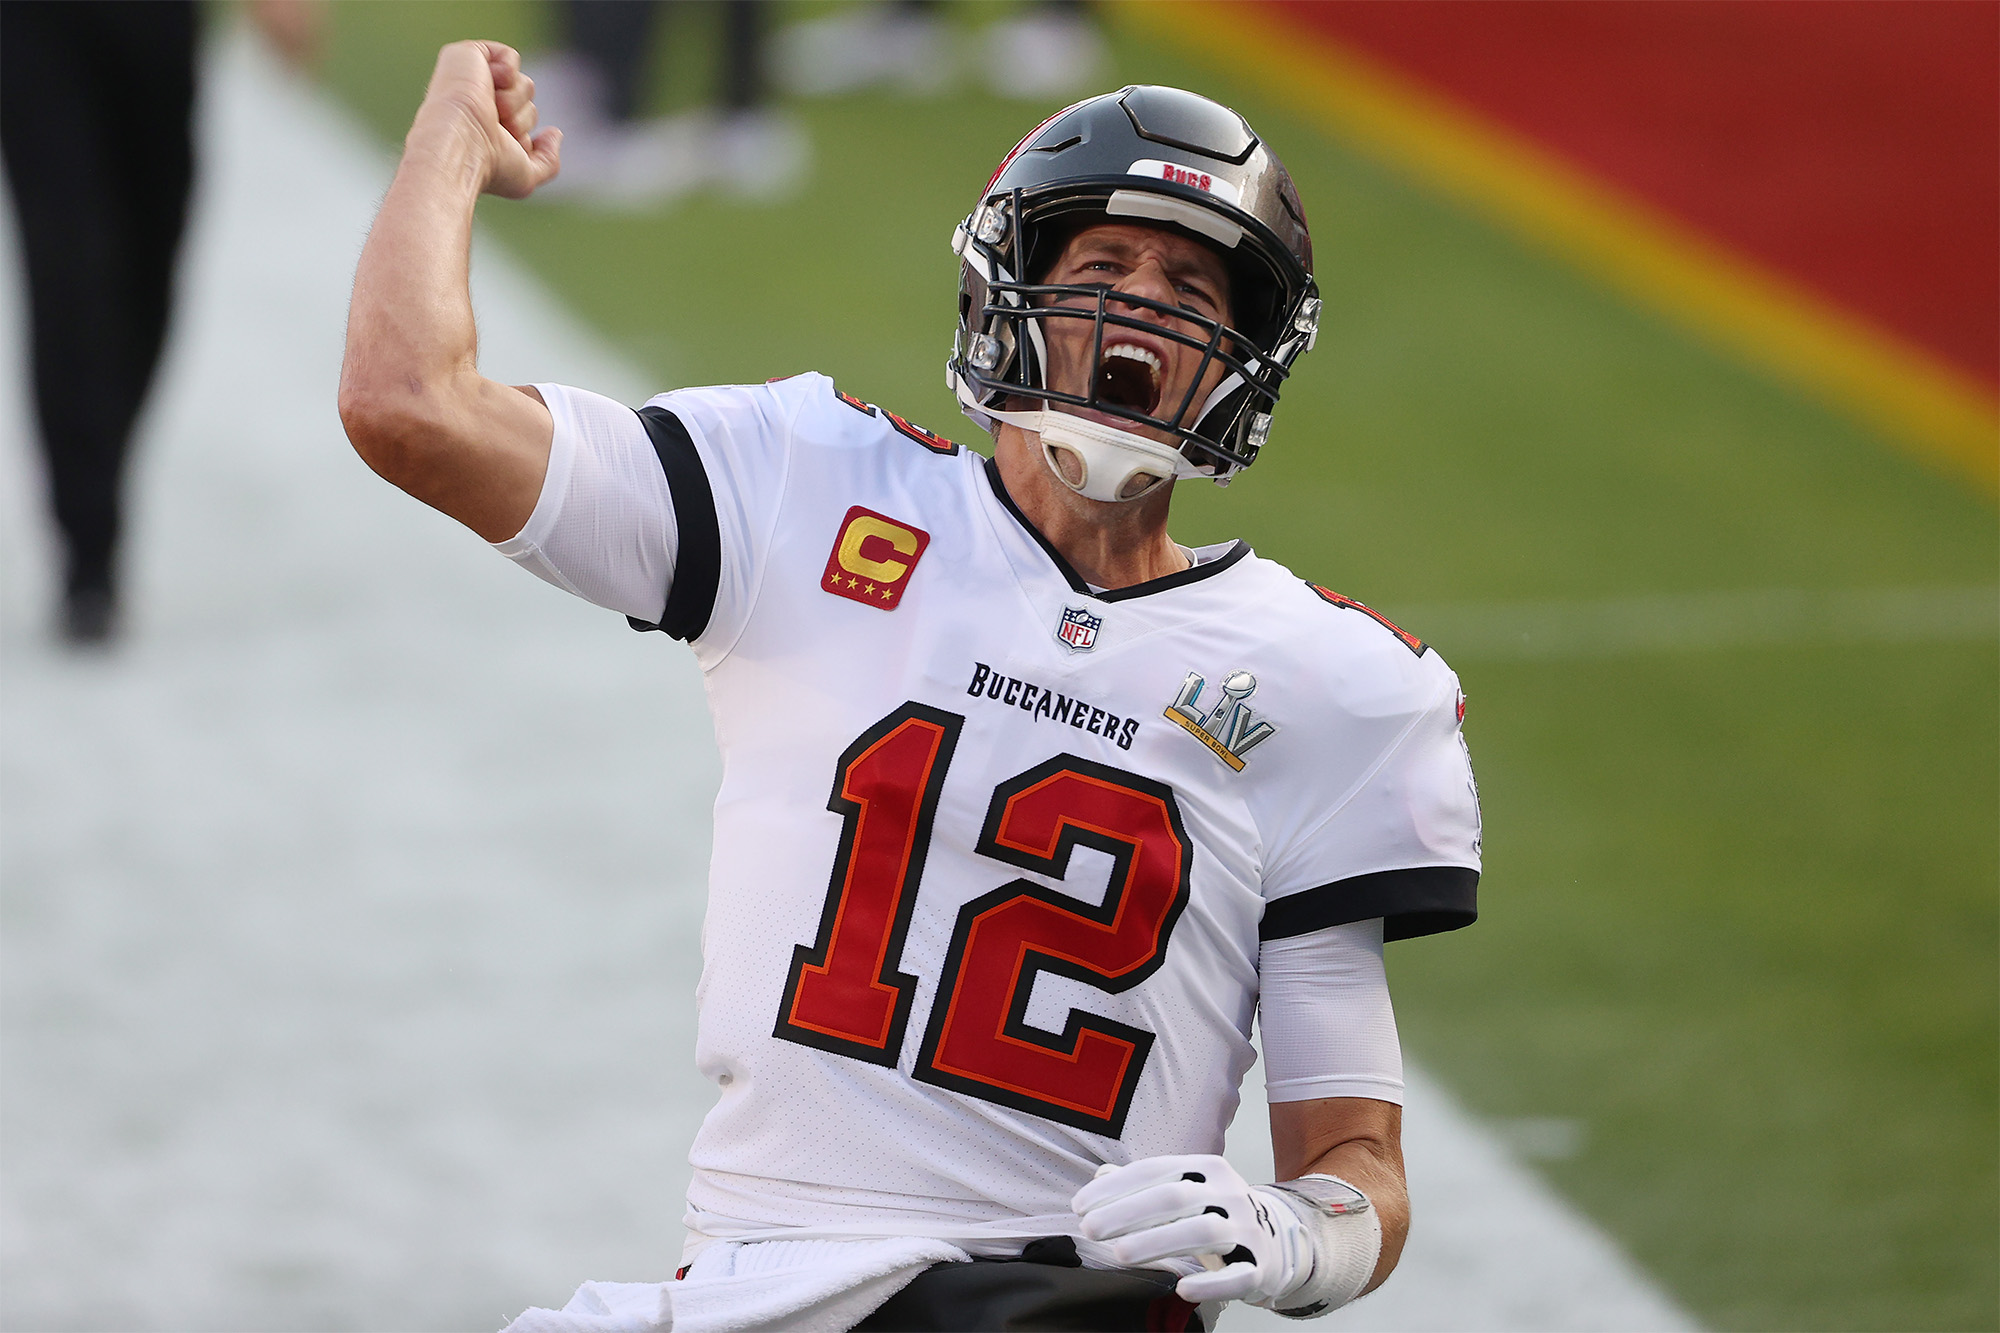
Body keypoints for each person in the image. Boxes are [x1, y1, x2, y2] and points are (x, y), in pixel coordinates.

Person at [340, 41, 1481, 1333]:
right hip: (759, 1284)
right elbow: (409, 407)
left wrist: (1295, 1232)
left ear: (1241, 352)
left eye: (1190, 284)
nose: (1142, 309)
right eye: (1101, 267)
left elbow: (1359, 1167)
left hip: (1056, 1301)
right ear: (1013, 292)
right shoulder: (808, 486)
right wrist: (448, 134)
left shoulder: (1331, 685)